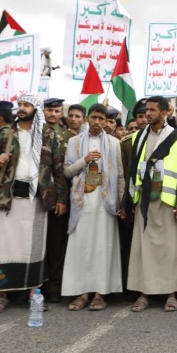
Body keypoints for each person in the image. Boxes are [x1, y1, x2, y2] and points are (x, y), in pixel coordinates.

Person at [0, 94, 67, 312]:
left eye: (27, 105)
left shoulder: (48, 134)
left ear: (36, 109)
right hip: (8, 198)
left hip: (37, 199)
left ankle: (33, 295)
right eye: (20, 104)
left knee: (34, 248)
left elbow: (58, 169)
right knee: (3, 247)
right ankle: (0, 295)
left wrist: (61, 199)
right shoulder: (6, 133)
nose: (21, 108)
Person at [125, 96, 177, 312]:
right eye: (146, 110)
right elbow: (132, 171)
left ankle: (171, 294)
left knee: (170, 248)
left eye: (152, 110)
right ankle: (143, 294)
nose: (148, 114)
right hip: (144, 199)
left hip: (166, 200)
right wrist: (129, 200)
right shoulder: (138, 137)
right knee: (143, 248)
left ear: (164, 113)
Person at [62, 103, 124, 311]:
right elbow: (67, 172)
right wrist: (84, 160)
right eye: (94, 118)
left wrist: (122, 203)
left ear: (106, 122)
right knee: (82, 248)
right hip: (82, 203)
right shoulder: (74, 142)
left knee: (102, 248)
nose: (97, 122)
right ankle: (82, 293)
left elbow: (121, 176)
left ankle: (100, 293)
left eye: (101, 119)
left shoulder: (115, 143)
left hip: (106, 204)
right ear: (88, 119)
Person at [42, 97, 73, 303]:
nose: (53, 114)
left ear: (62, 113)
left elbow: (64, 172)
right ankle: (34, 284)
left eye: (57, 111)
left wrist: (62, 199)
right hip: (36, 196)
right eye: (49, 110)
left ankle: (53, 286)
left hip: (59, 196)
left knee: (56, 243)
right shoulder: (35, 132)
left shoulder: (69, 136)